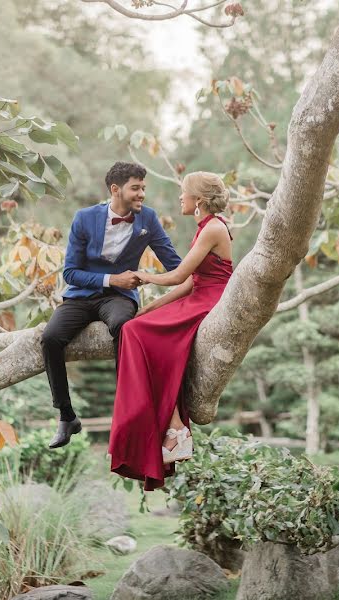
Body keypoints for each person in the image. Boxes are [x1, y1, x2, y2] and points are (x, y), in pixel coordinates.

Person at [41, 162, 182, 449]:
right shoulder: (84, 218)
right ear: (115, 189)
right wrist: (112, 279)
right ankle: (67, 416)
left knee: (123, 326)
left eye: (144, 188)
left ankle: (128, 409)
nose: (142, 193)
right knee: (50, 338)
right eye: (136, 188)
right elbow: (69, 273)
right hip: (82, 294)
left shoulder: (149, 220)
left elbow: (175, 266)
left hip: (119, 300)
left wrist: (204, 268)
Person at [109, 171, 233, 490]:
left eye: (184, 192)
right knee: (136, 327)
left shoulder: (215, 227)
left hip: (211, 301)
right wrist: (153, 306)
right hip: (200, 294)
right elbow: (192, 280)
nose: (180, 197)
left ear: (199, 201)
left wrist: (142, 275)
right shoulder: (205, 227)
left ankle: (169, 426)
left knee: (137, 334)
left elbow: (179, 275)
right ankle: (174, 425)